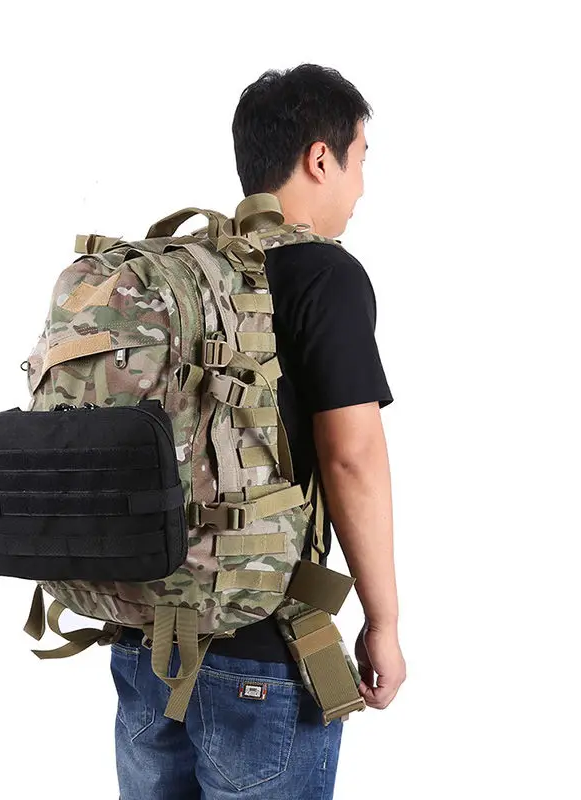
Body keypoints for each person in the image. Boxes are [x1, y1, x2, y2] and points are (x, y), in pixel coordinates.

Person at [111, 63, 406, 800]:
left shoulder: (182, 277)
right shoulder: (326, 276)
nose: (362, 187)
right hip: (265, 656)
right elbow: (353, 458)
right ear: (320, 157)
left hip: (142, 642)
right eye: (360, 159)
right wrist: (383, 621)